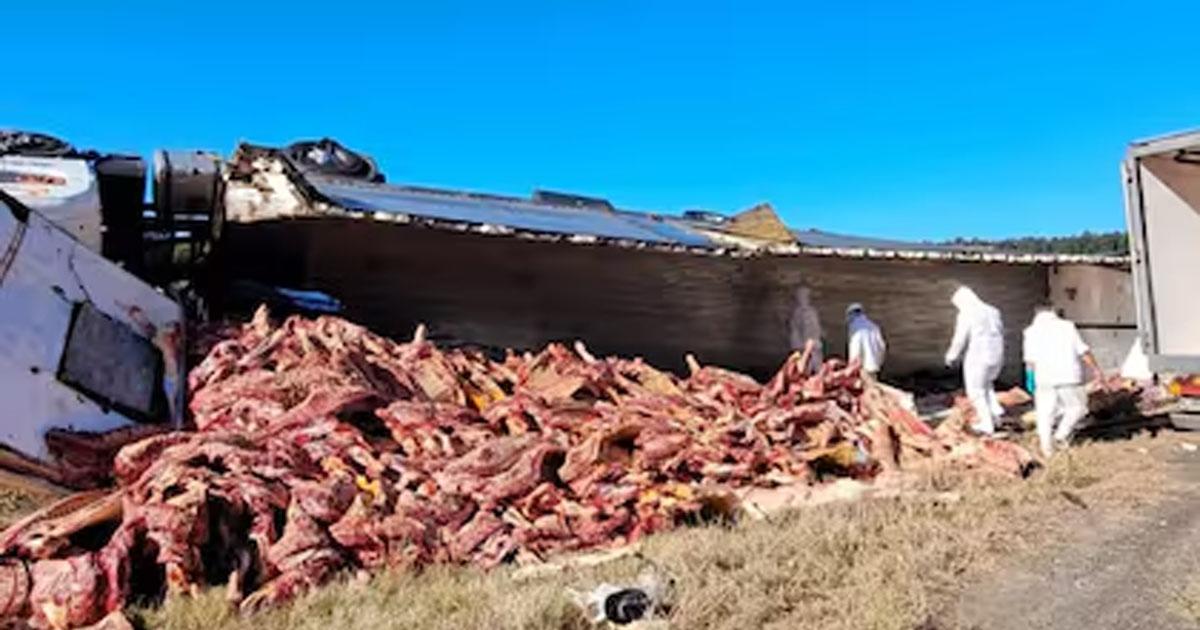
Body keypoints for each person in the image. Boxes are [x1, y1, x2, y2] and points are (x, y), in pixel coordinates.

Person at [1023, 303, 1106, 457]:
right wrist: (1096, 370)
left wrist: (1029, 378)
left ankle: (1047, 450)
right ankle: (1061, 435)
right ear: (1054, 311)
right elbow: (1083, 351)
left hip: (1044, 378)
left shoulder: (1030, 331)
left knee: (1045, 414)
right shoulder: (1067, 327)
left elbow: (1030, 360)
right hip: (1068, 376)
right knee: (1078, 408)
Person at [944, 286, 1005, 435]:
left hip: (978, 355)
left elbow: (960, 338)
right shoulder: (993, 311)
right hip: (997, 355)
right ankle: (996, 416)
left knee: (976, 391)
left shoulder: (967, 313)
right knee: (987, 386)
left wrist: (951, 356)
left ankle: (986, 424)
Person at [846, 303, 886, 378]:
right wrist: (878, 362)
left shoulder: (854, 326)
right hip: (874, 366)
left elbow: (855, 347)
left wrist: (852, 366)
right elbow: (882, 347)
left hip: (862, 368)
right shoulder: (874, 326)